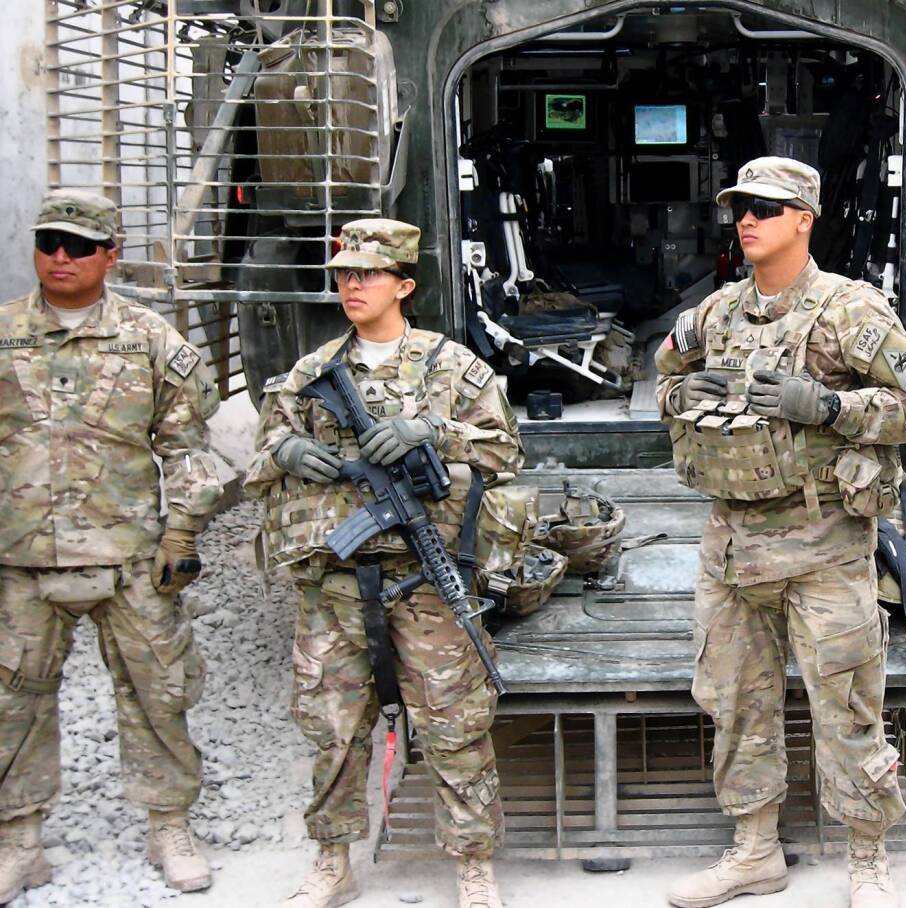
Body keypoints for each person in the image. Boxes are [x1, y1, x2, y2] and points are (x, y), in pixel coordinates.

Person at [656, 156, 906, 908]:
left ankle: (867, 857)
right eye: (741, 207)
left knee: (847, 706)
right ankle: (753, 852)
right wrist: (685, 390)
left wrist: (834, 410)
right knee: (736, 703)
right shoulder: (714, 314)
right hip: (732, 546)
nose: (747, 219)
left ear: (805, 219)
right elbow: (662, 381)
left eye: (766, 208)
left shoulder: (852, 311)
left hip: (823, 547)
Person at [244, 219, 521, 908]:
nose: (352, 285)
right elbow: (257, 457)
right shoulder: (312, 374)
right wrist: (282, 454)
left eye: (368, 274)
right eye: (344, 274)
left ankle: (473, 865)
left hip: (424, 582)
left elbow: (505, 452)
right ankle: (332, 861)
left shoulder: (452, 366)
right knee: (332, 729)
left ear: (405, 284)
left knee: (456, 727)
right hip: (335, 583)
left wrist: (433, 430)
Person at [0, 190, 221, 900]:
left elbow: (187, 447)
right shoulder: (3, 336)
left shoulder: (151, 340)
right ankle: (19, 838)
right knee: (12, 701)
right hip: (21, 557)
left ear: (110, 255)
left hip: (131, 559)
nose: (60, 257)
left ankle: (168, 825)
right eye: (49, 242)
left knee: (158, 692)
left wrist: (181, 532)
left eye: (79, 245)